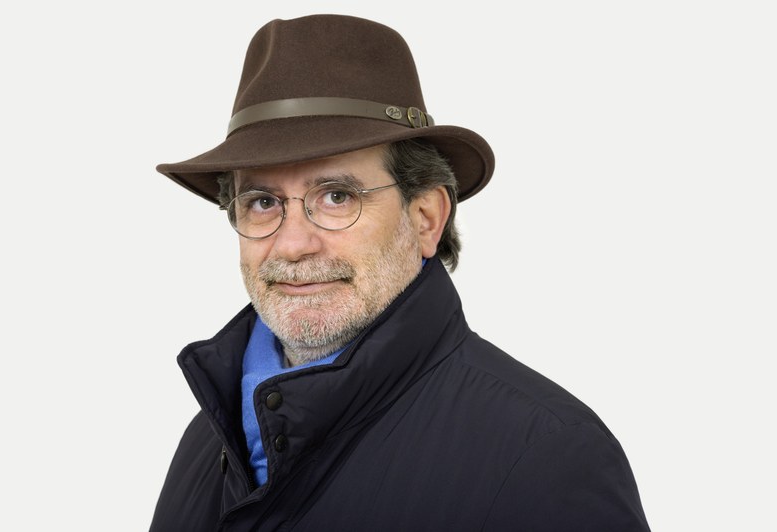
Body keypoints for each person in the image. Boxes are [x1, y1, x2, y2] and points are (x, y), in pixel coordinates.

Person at [150, 14, 651, 532]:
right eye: (262, 202)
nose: (294, 244)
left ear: (426, 218)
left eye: (337, 196)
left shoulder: (547, 457)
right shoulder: (206, 441)